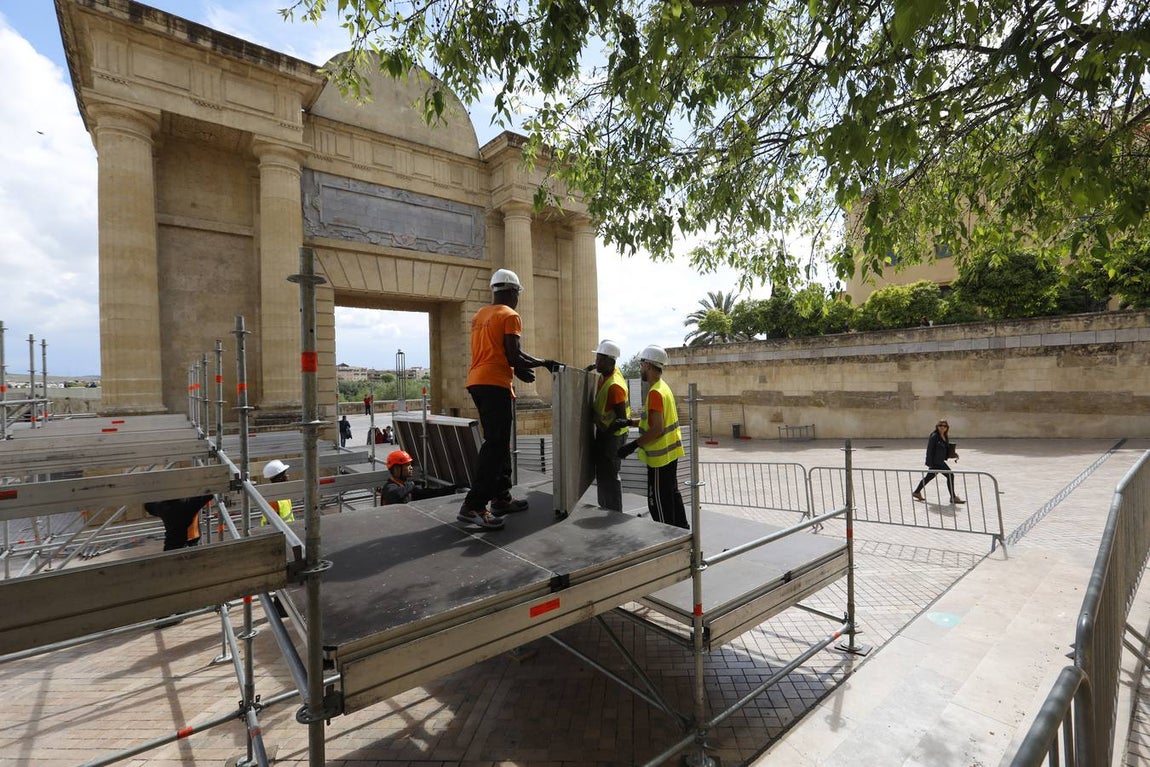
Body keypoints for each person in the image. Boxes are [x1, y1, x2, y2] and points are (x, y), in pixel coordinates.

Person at [459, 268, 561, 530]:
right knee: (495, 445)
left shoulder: (481, 315)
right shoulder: (511, 315)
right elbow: (513, 354)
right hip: (494, 384)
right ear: (514, 292)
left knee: (501, 443)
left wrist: (519, 368)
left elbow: (499, 352)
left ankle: (501, 497)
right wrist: (544, 363)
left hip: (479, 382)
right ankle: (474, 505)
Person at [617, 345, 688, 529]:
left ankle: (667, 541)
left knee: (658, 504)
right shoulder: (663, 388)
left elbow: (657, 429)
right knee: (672, 496)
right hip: (670, 455)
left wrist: (632, 446)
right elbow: (653, 421)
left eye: (641, 365)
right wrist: (629, 423)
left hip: (659, 460)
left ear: (647, 365)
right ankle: (682, 534)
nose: (640, 368)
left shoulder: (655, 392)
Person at [588, 339, 631, 512]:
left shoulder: (614, 386)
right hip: (607, 434)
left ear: (608, 361)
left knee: (610, 475)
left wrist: (604, 434)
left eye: (598, 359)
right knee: (604, 475)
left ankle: (614, 512)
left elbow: (621, 419)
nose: (595, 362)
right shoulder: (606, 374)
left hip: (612, 437)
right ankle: (606, 507)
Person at [379, 449, 461, 505]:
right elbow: (395, 494)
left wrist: (453, 488)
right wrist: (411, 484)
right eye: (407, 465)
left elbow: (431, 493)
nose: (411, 468)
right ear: (397, 469)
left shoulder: (406, 487)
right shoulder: (389, 487)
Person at [912, 419, 965, 504]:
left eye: (944, 426)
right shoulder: (934, 436)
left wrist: (953, 454)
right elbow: (930, 450)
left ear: (947, 427)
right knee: (950, 475)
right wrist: (930, 463)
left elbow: (945, 449)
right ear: (937, 426)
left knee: (929, 477)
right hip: (936, 462)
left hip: (939, 461)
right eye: (940, 425)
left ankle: (916, 492)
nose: (942, 427)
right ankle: (953, 497)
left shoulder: (945, 436)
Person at [144, 494, 214, 551]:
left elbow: (148, 506)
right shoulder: (187, 504)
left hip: (171, 545)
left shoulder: (162, 506)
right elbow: (210, 494)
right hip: (188, 544)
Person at [261, 459, 297, 525]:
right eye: (285, 474)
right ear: (280, 478)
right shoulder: (273, 499)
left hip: (288, 530)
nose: (287, 475)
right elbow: (272, 523)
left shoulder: (282, 492)